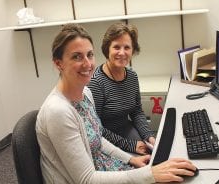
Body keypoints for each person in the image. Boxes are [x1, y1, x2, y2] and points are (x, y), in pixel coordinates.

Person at [36, 23, 197, 183]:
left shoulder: (85, 93)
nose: (87, 64)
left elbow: (98, 139)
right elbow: (86, 179)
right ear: (58, 63)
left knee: (172, 175)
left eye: (90, 55)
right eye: (77, 56)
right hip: (86, 178)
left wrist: (131, 159)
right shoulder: (58, 111)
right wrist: (150, 174)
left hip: (101, 164)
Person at [88, 22, 155, 155]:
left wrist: (149, 136)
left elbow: (136, 111)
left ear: (133, 50)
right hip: (105, 140)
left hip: (127, 130)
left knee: (152, 155)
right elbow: (95, 128)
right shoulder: (96, 82)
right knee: (139, 166)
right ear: (108, 49)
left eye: (127, 47)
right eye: (116, 47)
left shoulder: (132, 76)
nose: (122, 53)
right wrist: (130, 145)